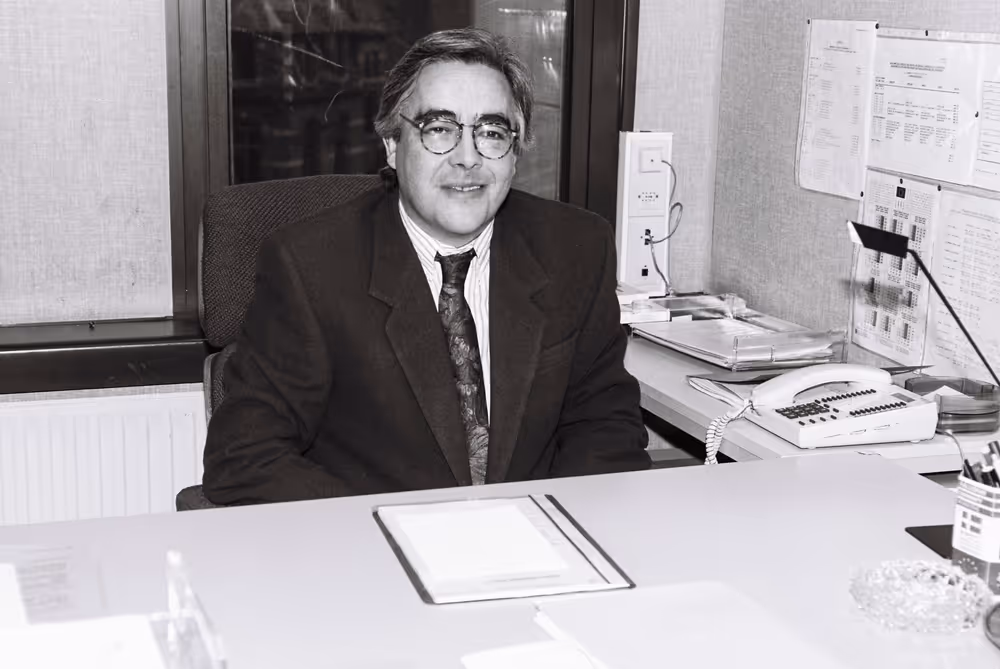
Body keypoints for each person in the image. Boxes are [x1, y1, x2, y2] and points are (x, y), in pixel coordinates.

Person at [202, 27, 649, 505]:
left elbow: (604, 428)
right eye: (439, 129)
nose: (467, 158)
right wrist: (394, 528)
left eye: (492, 133)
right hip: (378, 553)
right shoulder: (311, 265)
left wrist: (566, 528)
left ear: (514, 155)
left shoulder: (576, 249)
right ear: (393, 145)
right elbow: (244, 457)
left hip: (536, 545)